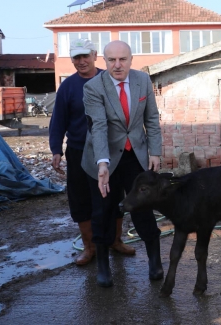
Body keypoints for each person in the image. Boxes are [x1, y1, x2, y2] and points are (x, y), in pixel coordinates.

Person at [81, 40, 163, 287]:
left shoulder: (143, 80)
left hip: (135, 155)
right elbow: (99, 126)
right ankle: (104, 266)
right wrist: (103, 165)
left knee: (142, 207)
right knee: (103, 210)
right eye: (111, 60)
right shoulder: (93, 87)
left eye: (122, 59)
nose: (117, 65)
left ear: (131, 59)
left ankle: (155, 260)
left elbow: (151, 117)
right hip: (102, 155)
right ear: (104, 61)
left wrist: (155, 152)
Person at [49, 39, 135, 267]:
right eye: (76, 57)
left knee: (113, 197)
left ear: (95, 55)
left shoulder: (109, 80)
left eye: (85, 56)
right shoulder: (68, 87)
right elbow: (58, 119)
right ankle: (90, 247)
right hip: (78, 150)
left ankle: (116, 241)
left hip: (108, 151)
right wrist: (56, 149)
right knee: (81, 199)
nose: (81, 61)